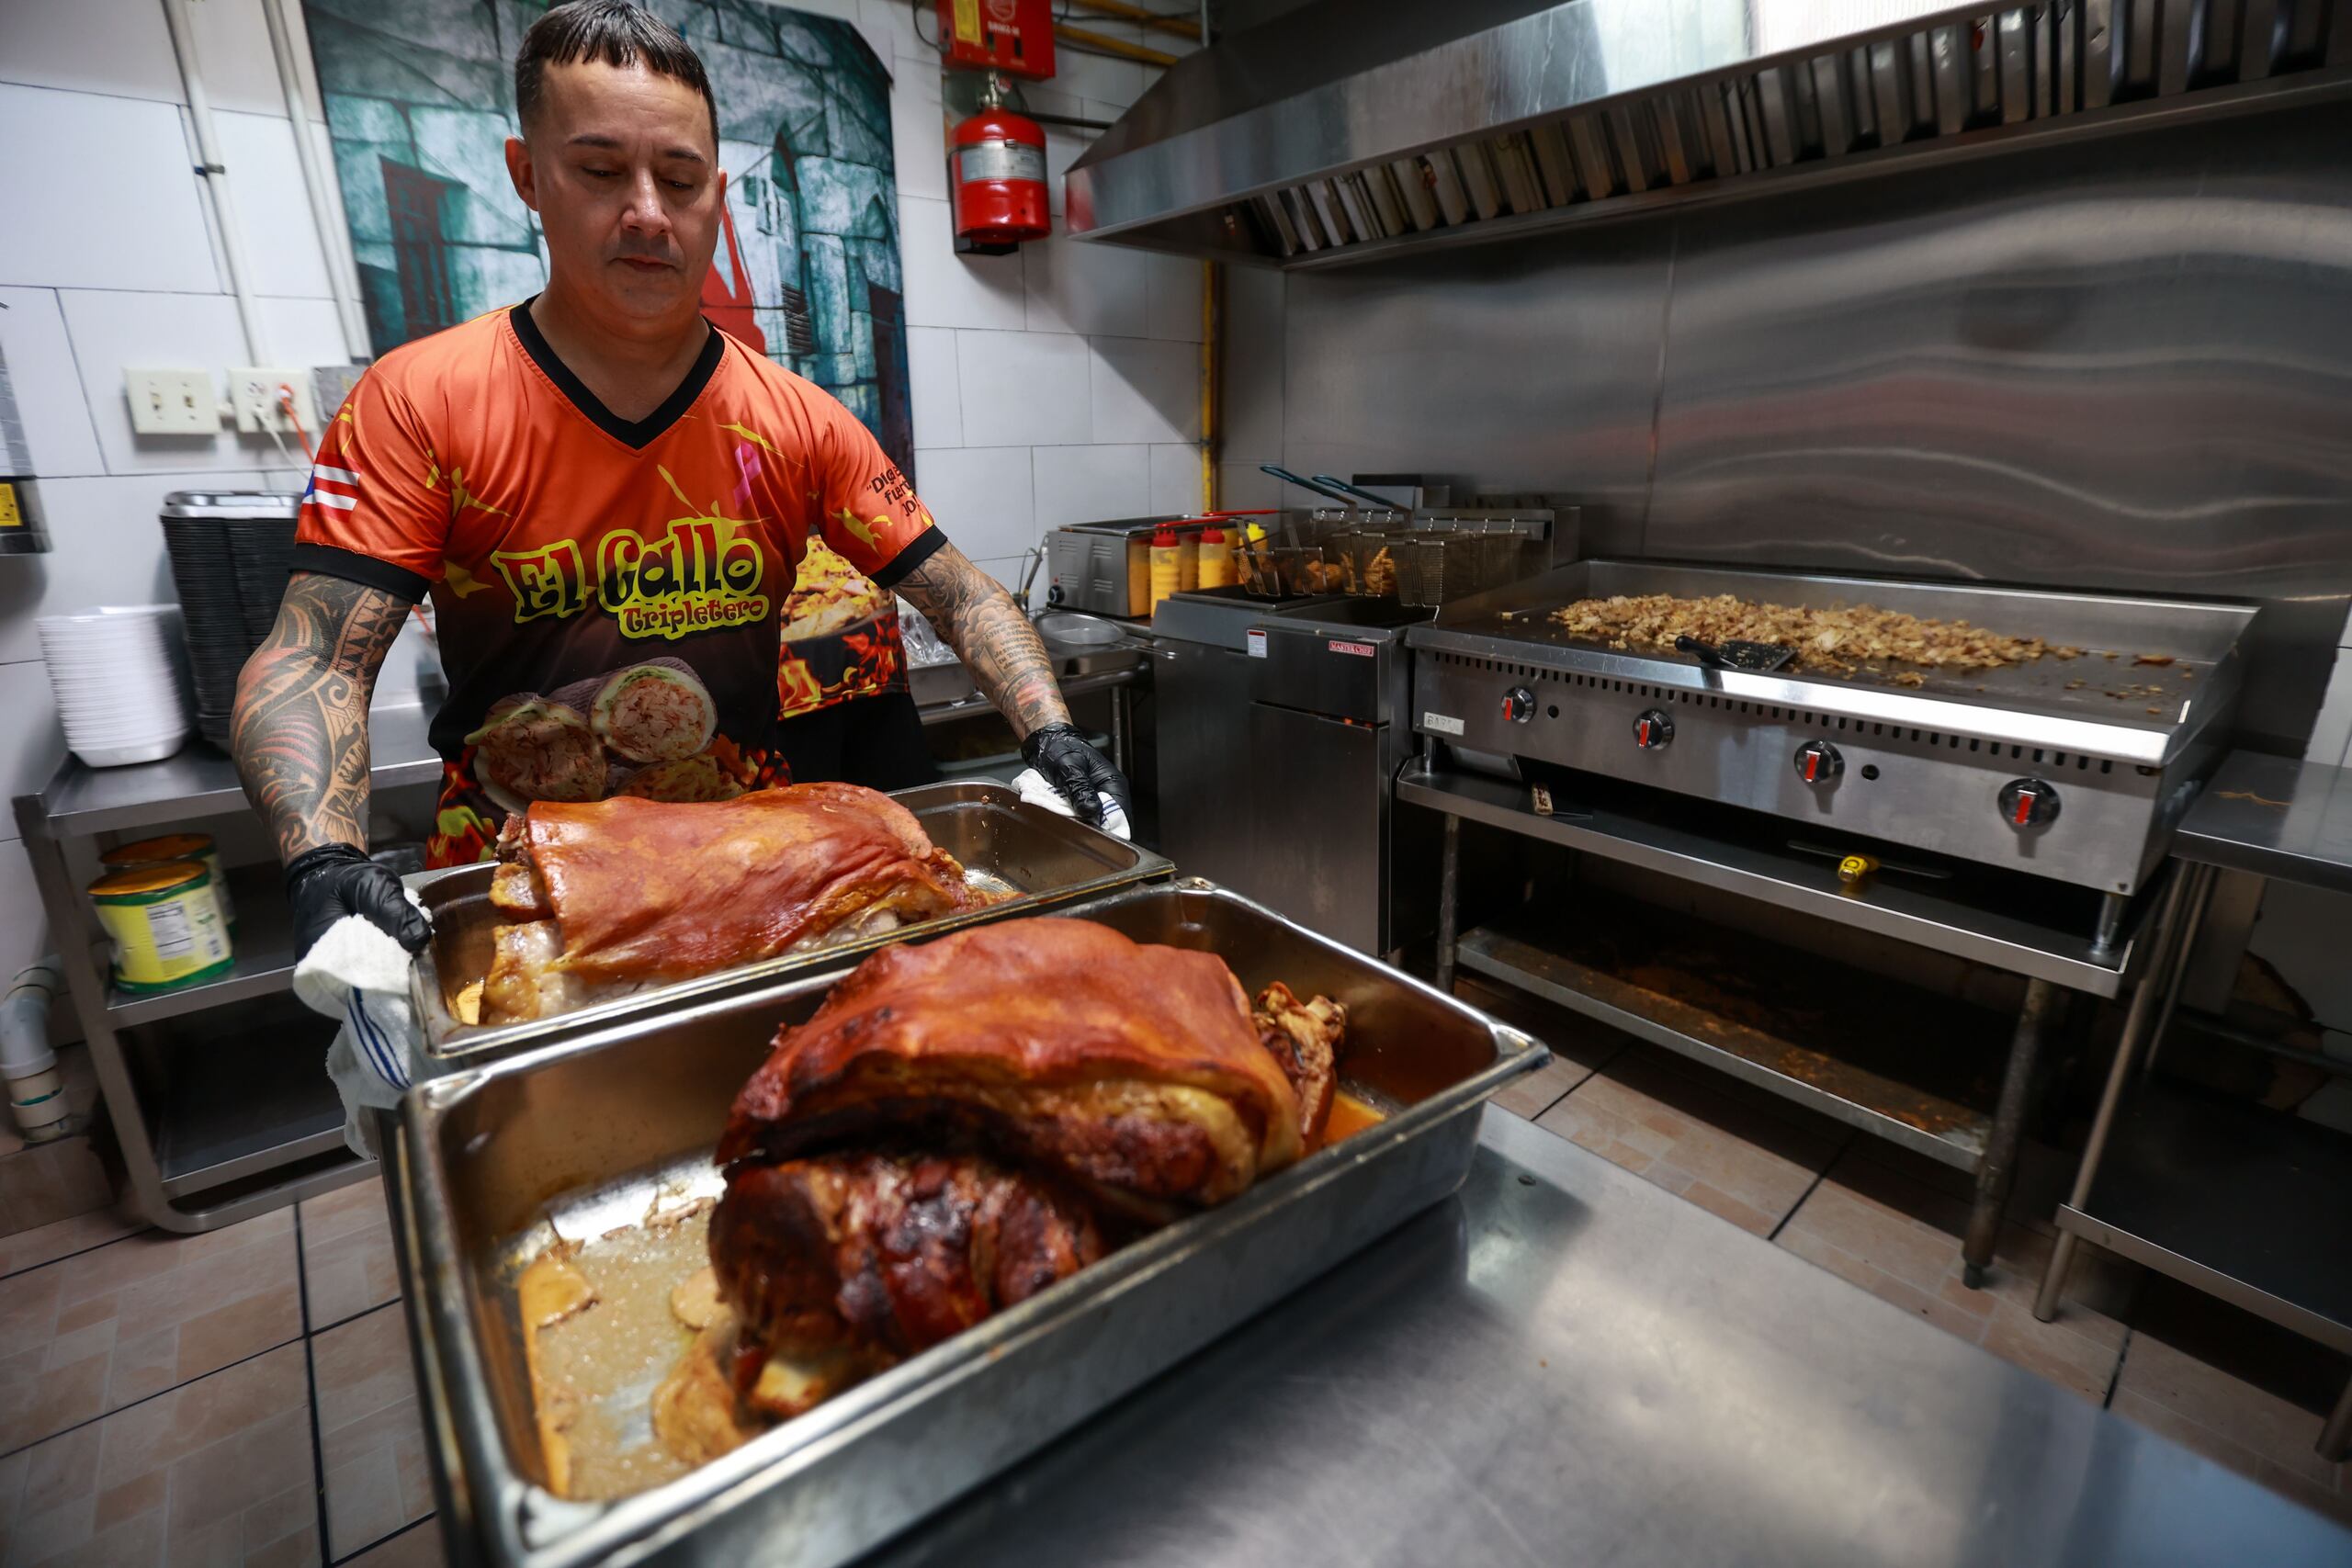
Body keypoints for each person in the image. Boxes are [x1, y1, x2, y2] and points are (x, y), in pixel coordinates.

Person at [232, 0, 1129, 959]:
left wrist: (1050, 733)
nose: (648, 213)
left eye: (681, 177)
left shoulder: (796, 420)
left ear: (717, 194)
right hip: (519, 884)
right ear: (527, 175)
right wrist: (322, 855)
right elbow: (315, 659)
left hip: (751, 872)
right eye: (600, 171)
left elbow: (959, 595)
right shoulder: (421, 400)